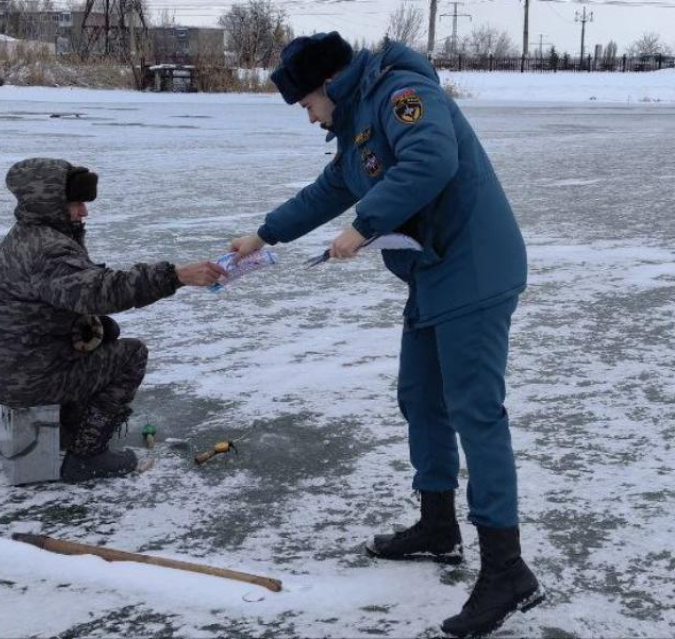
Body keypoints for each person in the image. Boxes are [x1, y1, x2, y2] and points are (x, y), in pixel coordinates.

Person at [229, 32, 543, 638]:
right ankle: (437, 526)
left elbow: (432, 160)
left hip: (473, 267)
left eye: (305, 102)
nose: (307, 114)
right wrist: (265, 234)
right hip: (432, 272)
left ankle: (508, 570)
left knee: (475, 411)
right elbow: (333, 187)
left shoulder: (401, 92)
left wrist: (364, 226)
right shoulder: (357, 122)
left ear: (326, 84)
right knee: (421, 399)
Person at [0, 157, 226, 482]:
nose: (84, 212)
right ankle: (87, 455)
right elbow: (102, 292)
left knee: (104, 332)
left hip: (9, 368)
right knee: (131, 355)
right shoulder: (47, 251)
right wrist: (175, 276)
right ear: (48, 203)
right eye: (75, 202)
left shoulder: (28, 235)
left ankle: (69, 426)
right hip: (24, 379)